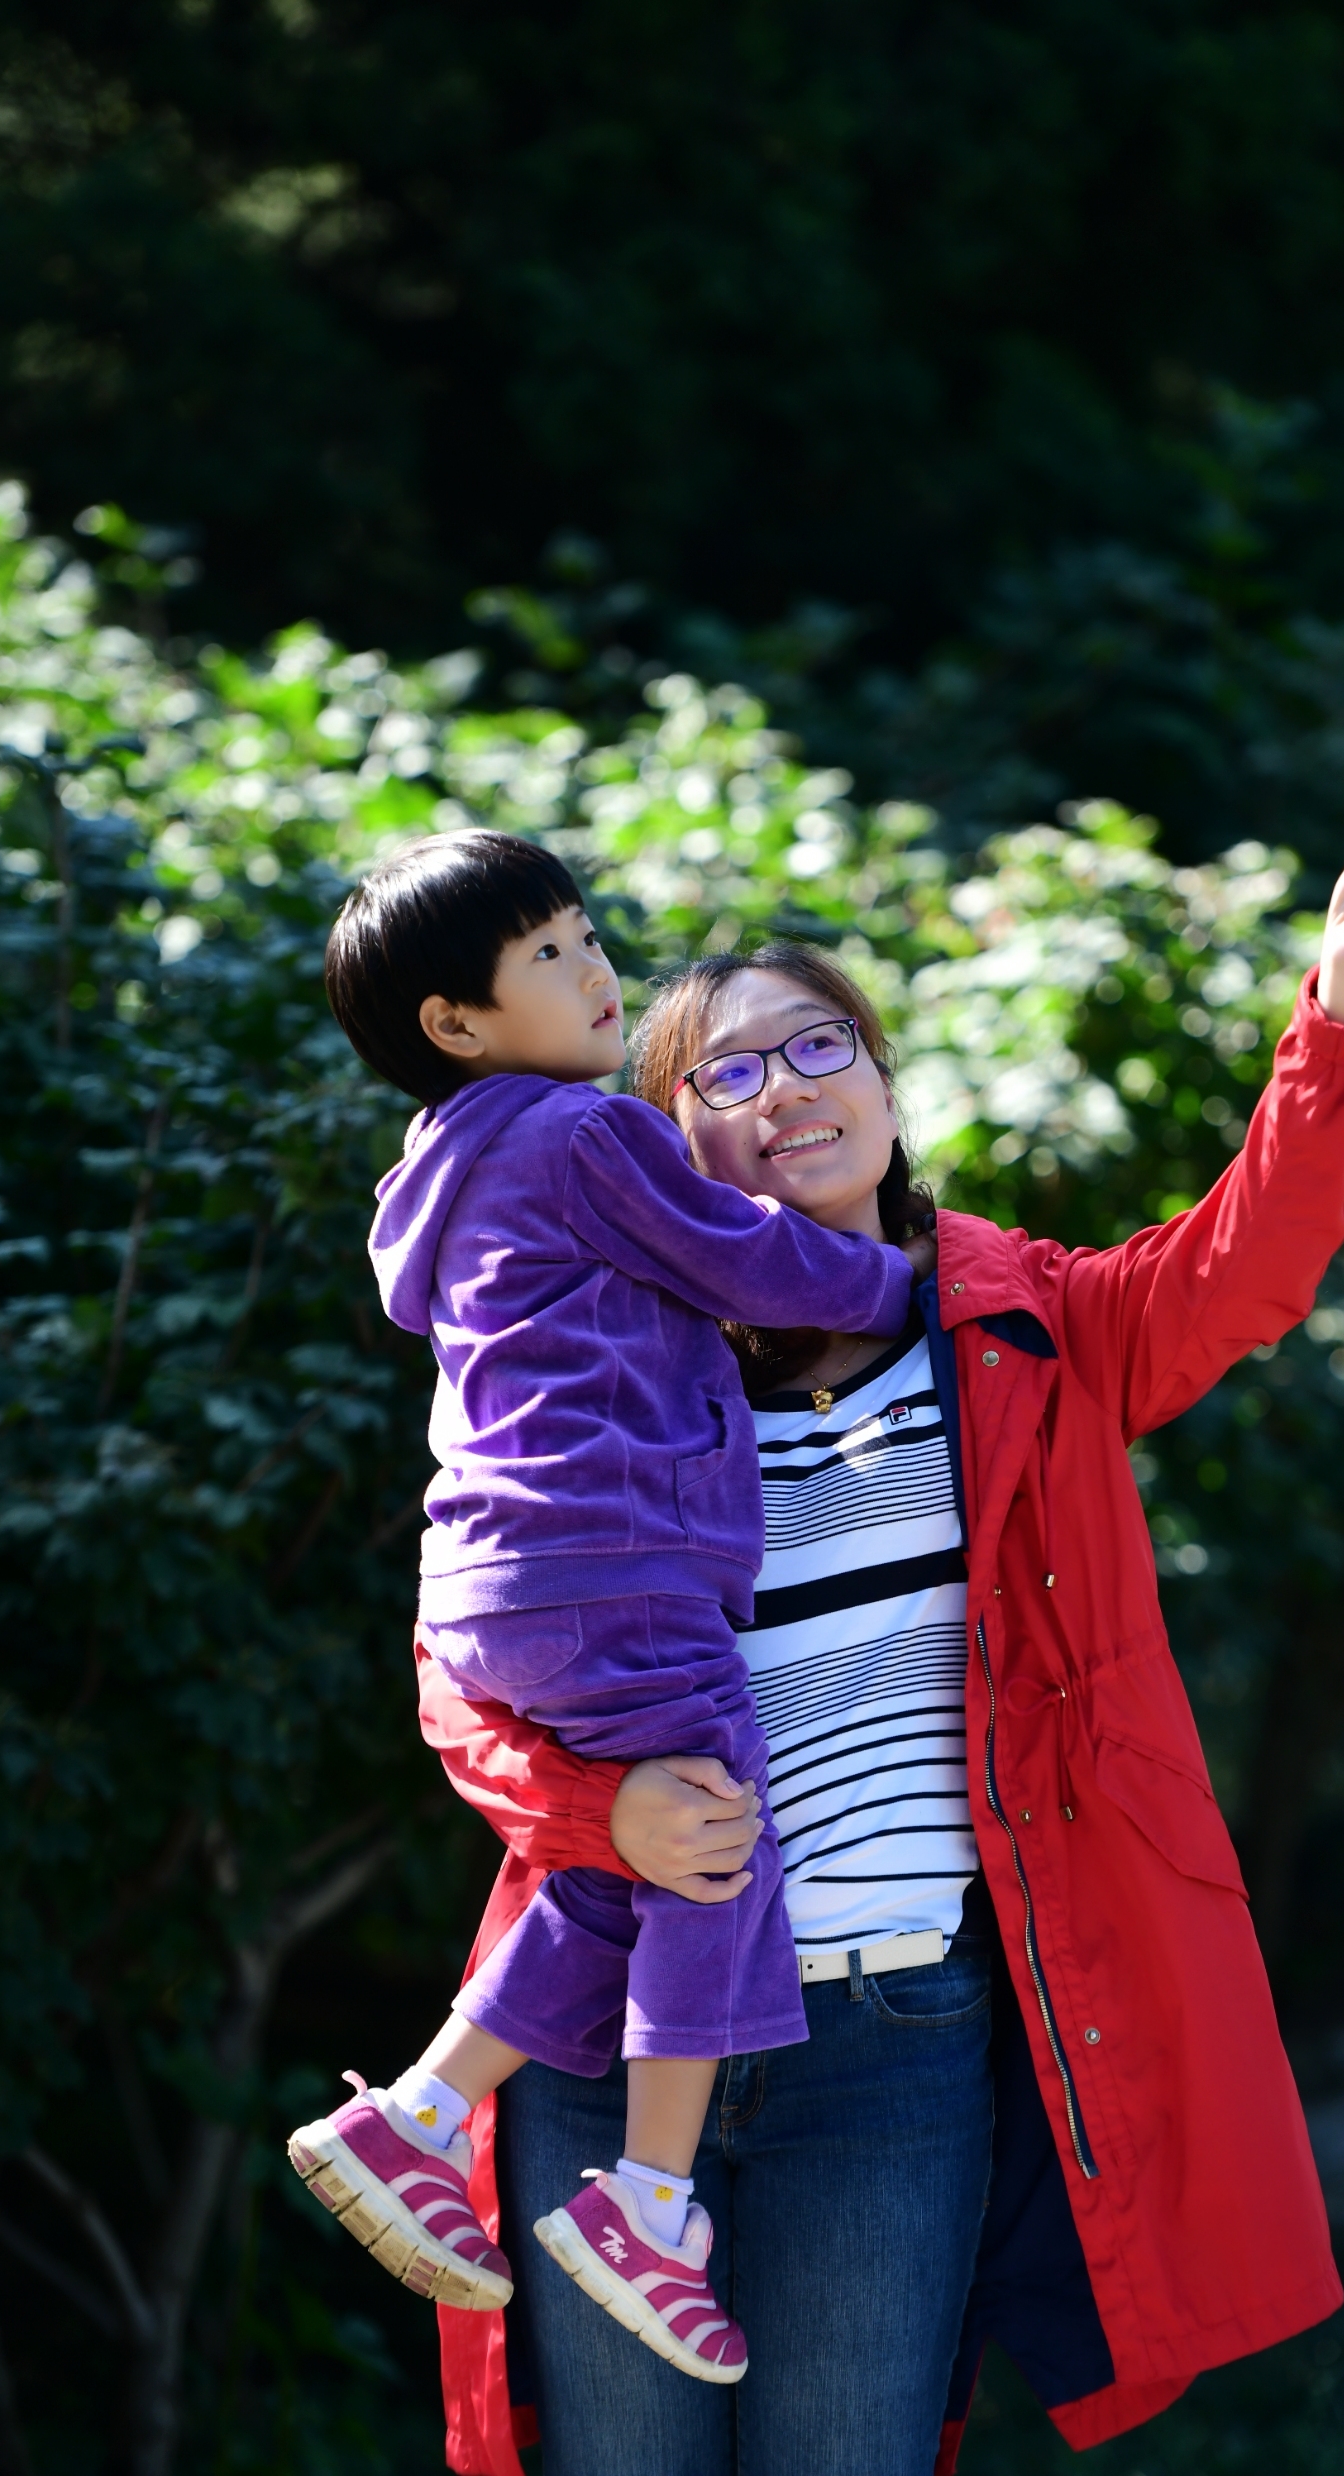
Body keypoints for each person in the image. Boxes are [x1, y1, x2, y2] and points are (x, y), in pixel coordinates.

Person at [413, 791, 1344, 2476]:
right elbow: (466, 1667)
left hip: (892, 2051)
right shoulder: (595, 1364)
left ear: (889, 1088)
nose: (786, 1089)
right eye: (725, 1076)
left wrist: (1335, 998)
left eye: (818, 1045)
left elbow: (1244, 1265)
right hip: (608, 2042)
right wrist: (599, 1815)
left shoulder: (1030, 1326)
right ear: (664, 1150)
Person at [286, 829, 931, 2382]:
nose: (600, 976)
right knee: (717, 1840)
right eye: (555, 956)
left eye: (588, 936)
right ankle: (651, 2201)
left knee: (627, 1866)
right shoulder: (582, 1135)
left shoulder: (439, 1174)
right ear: (456, 1021)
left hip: (500, 1580)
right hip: (618, 1554)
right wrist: (910, 1287)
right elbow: (746, 1257)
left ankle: (423, 2113)